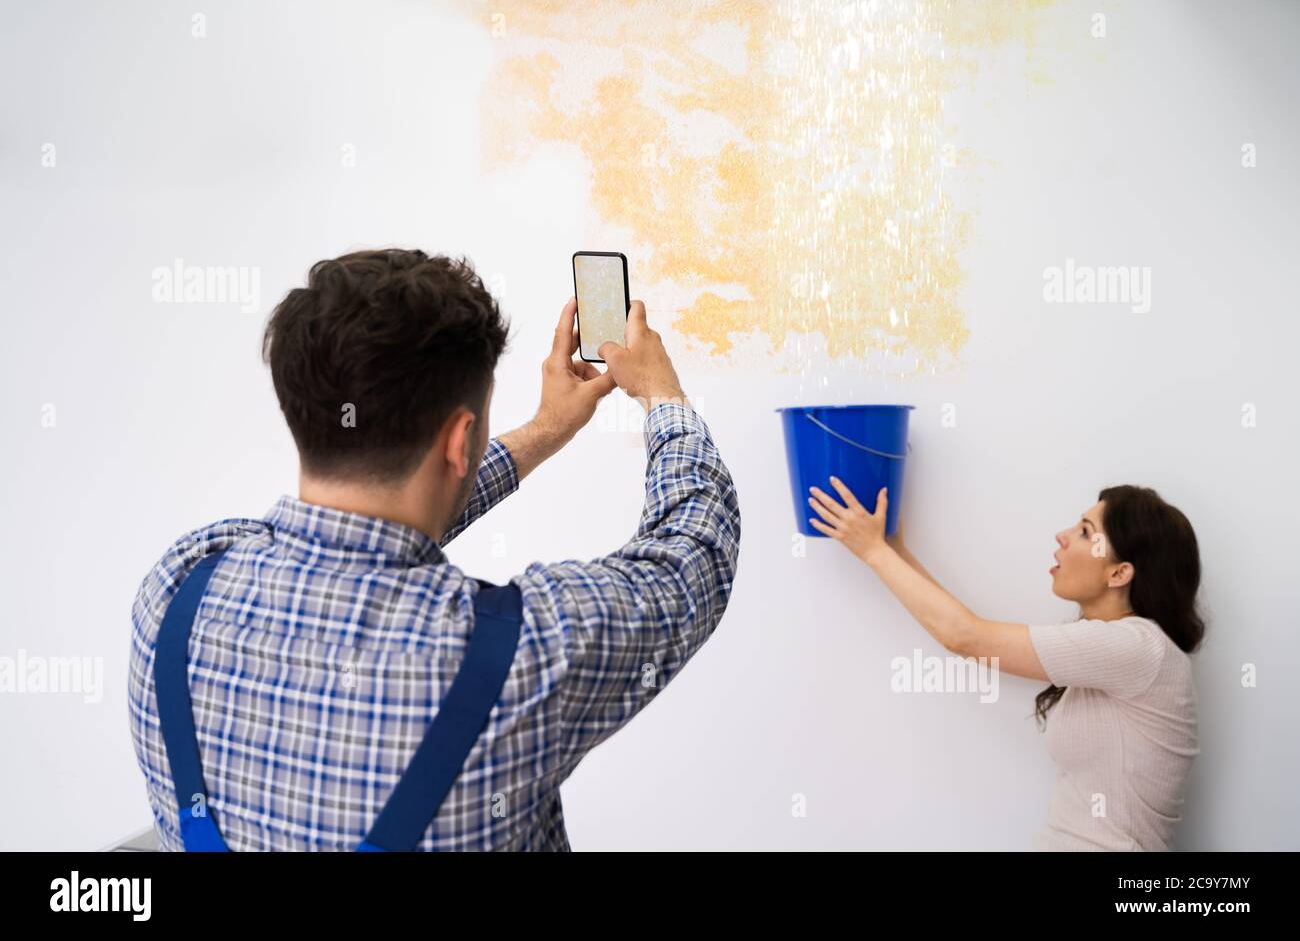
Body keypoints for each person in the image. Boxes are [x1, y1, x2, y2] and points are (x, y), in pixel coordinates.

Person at [128, 248, 741, 851]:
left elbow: (361, 531)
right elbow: (693, 553)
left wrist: (545, 431)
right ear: (460, 441)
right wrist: (664, 397)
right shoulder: (529, 656)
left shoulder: (179, 585)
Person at [806, 478, 1204, 851]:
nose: (1062, 536)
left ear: (1119, 572)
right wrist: (895, 550)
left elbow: (965, 636)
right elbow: (969, 629)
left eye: (1085, 532)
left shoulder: (1137, 646)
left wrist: (873, 551)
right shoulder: (1113, 649)